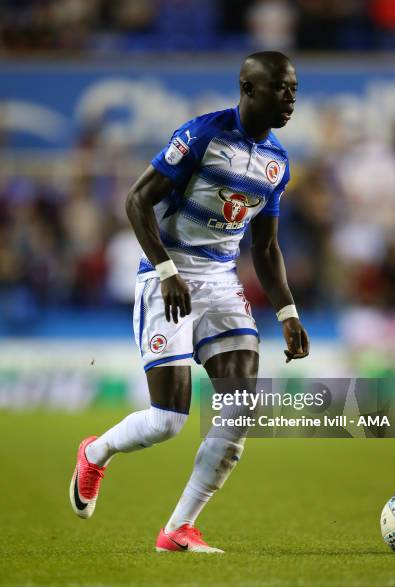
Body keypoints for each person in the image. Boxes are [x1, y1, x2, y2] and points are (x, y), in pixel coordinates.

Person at [69, 50, 309, 553]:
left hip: (221, 280)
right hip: (167, 274)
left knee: (241, 409)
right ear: (248, 88)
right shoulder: (202, 135)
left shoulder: (277, 163)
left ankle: (178, 528)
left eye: (293, 88)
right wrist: (166, 270)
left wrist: (288, 312)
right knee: (168, 421)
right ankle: (95, 451)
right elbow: (136, 200)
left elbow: (265, 248)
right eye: (280, 88)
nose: (290, 97)